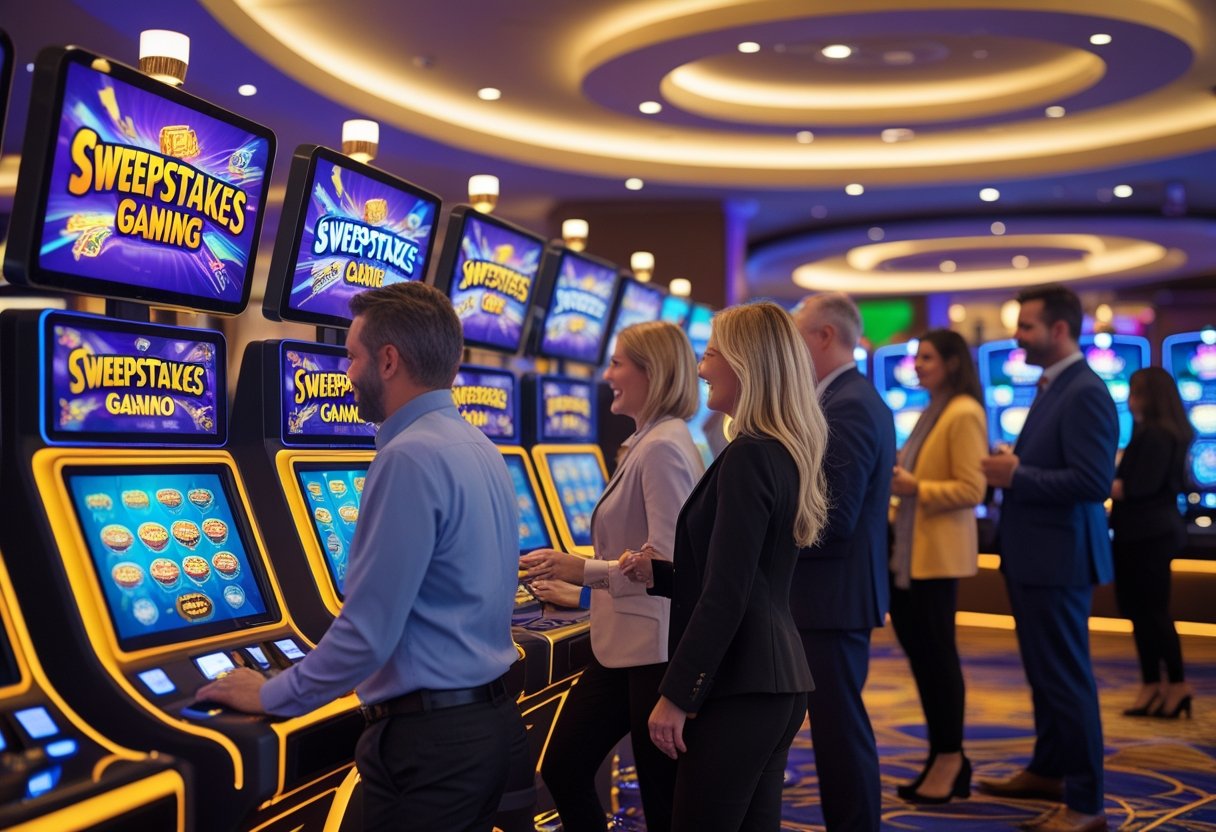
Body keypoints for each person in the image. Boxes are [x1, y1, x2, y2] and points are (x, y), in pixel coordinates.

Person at [197, 282, 527, 832]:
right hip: (486, 724)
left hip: (432, 743)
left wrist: (273, 692)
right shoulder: (480, 446)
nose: (346, 373)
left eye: (352, 356)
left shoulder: (409, 458)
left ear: (389, 361)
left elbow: (369, 632)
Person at [621, 301, 830, 831]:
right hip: (773, 682)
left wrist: (677, 693)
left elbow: (727, 594)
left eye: (710, 354)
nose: (701, 368)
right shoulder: (779, 449)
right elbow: (749, 577)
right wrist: (659, 575)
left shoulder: (750, 455)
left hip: (741, 686)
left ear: (745, 363)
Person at [520, 321, 703, 832]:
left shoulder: (662, 447)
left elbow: (669, 566)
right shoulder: (650, 440)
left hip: (653, 649)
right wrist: (582, 584)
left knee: (662, 801)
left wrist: (583, 573)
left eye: (618, 363)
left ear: (652, 372)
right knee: (565, 767)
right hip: (627, 645)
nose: (607, 375)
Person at [979, 285, 1117, 832]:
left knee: (1066, 679)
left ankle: (1086, 804)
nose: (1017, 337)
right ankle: (1048, 770)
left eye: (1026, 326)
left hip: (1060, 559)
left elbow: (1093, 482)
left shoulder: (1084, 390)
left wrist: (1018, 475)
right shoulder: (1055, 385)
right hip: (1037, 556)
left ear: (1059, 329)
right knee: (1045, 675)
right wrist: (1018, 466)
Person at [790, 292, 895, 831]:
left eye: (796, 333)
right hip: (834, 594)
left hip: (833, 596)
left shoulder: (847, 403)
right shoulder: (845, 396)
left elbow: (835, 516)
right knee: (837, 729)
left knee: (840, 731)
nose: (789, 346)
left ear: (824, 335)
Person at [888, 329, 987, 804]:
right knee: (925, 661)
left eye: (927, 357)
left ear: (951, 363)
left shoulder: (963, 411)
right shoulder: (934, 409)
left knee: (938, 661)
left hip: (935, 558)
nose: (918, 365)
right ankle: (941, 755)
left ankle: (950, 756)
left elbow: (973, 489)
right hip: (910, 555)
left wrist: (915, 489)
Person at [1110, 367, 1194, 719]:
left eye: (1136, 393)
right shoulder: (1153, 432)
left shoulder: (1157, 435)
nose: (1130, 401)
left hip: (1149, 535)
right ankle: (1152, 684)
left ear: (1151, 397)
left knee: (1153, 613)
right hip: (1142, 533)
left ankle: (1176, 684)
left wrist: (1094, 481)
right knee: (1140, 613)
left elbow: (1137, 488)